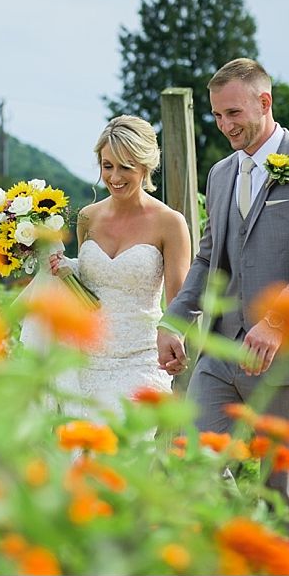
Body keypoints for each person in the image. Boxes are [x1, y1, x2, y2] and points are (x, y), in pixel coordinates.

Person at [156, 58, 289, 551]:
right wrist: (173, 321)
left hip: (288, 354)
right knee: (188, 458)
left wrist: (277, 320)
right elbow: (206, 259)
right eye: (218, 116)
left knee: (280, 483)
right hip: (222, 351)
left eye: (233, 113)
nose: (225, 125)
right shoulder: (220, 175)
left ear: (265, 103)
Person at [48, 115, 191, 419]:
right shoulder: (87, 217)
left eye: (126, 166)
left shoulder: (170, 223)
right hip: (84, 361)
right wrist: (63, 270)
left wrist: (176, 339)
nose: (114, 177)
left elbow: (181, 300)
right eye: (107, 165)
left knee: (122, 452)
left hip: (141, 361)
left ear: (145, 165)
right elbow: (88, 286)